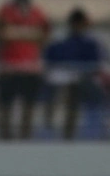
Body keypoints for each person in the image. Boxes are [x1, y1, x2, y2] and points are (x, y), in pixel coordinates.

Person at [0, 0, 49, 140]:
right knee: (6, 105)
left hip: (30, 67)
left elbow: (44, 36)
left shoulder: (37, 11)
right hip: (9, 67)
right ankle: (5, 138)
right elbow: (3, 34)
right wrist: (30, 33)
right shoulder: (5, 10)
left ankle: (26, 138)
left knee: (29, 105)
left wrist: (16, 32)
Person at [44, 8, 106, 140]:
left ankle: (73, 133)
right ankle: (61, 131)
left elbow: (96, 65)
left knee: (74, 95)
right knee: (67, 95)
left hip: (85, 84)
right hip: (64, 83)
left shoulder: (91, 44)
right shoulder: (60, 43)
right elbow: (50, 61)